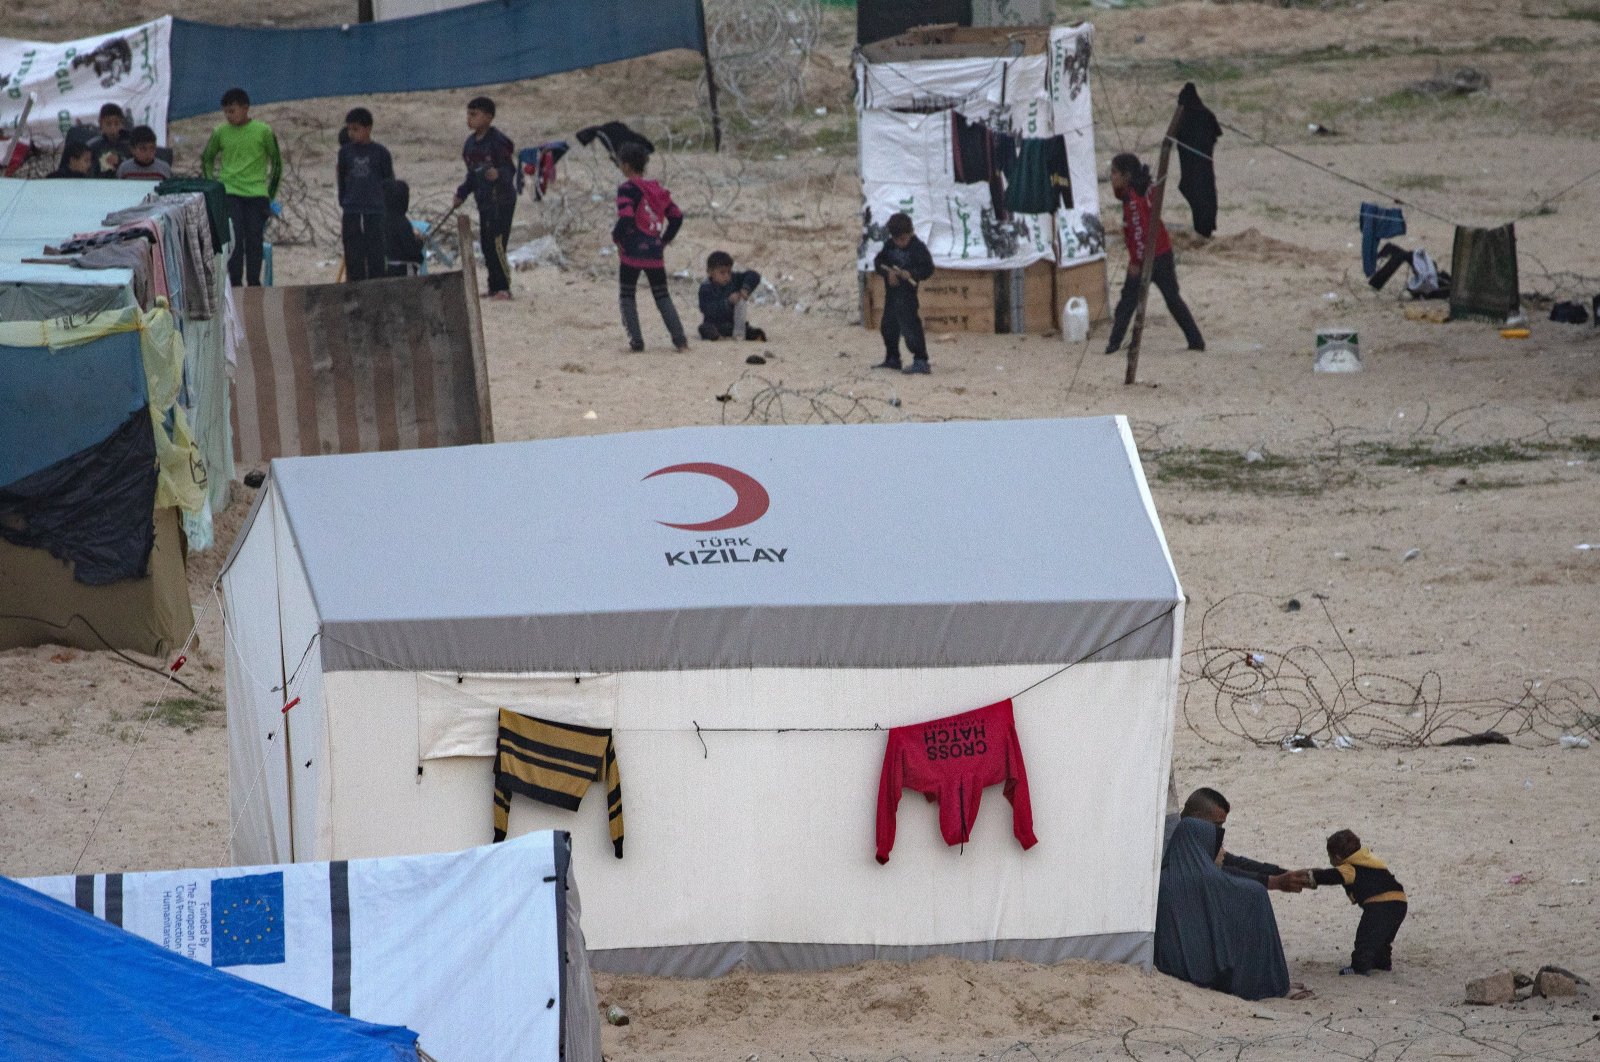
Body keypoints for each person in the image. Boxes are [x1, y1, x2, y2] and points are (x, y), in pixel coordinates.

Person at [1156, 817, 1292, 1001]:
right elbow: (1251, 896)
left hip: (1169, 973)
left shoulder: (1161, 881)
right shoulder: (1210, 881)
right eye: (1217, 845)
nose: (1222, 852)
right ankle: (1270, 982)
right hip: (1208, 979)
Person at [1103, 151, 1205, 355]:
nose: (1111, 177)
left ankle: (1114, 344)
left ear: (1126, 176)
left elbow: (1140, 231)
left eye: (1114, 172)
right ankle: (1195, 340)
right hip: (1162, 250)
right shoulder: (1141, 190)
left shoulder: (1132, 199)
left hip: (1151, 255)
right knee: (1171, 298)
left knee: (1128, 301)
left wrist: (1136, 261)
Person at [201, 87, 283, 287]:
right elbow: (207, 158)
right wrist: (212, 185)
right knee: (234, 240)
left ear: (245, 108)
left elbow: (277, 162)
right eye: (226, 112)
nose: (229, 116)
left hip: (256, 194)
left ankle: (254, 282)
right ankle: (235, 283)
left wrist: (269, 194)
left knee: (254, 240)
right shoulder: (220, 132)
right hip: (230, 193)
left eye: (233, 111)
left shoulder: (263, 131)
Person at [611, 141, 687, 351]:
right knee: (662, 295)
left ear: (625, 166)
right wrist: (663, 240)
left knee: (627, 295)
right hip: (654, 251)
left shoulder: (626, 189)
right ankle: (680, 341)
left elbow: (626, 217)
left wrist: (616, 238)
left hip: (631, 252)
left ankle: (637, 342)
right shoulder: (657, 190)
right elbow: (677, 217)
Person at [1305, 829, 1408, 976]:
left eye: (1330, 857)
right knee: (1383, 937)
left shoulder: (1350, 868)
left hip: (1380, 905)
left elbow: (1330, 876)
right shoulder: (1370, 859)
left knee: (1365, 937)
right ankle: (1382, 962)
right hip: (1400, 902)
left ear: (1338, 857)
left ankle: (1359, 966)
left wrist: (1310, 876)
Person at [1174, 787, 1309, 893]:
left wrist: (1285, 873)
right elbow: (1224, 874)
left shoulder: (1196, 838)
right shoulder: (1176, 846)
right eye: (1216, 824)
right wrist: (1274, 882)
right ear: (1196, 818)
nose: (1219, 831)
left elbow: (1236, 863)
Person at [449, 96, 516, 301]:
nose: (469, 119)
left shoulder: (498, 142)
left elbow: (510, 169)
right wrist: (461, 193)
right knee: (487, 245)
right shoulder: (470, 145)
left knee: (497, 244)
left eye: (474, 114)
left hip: (501, 201)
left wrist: (499, 175)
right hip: (484, 201)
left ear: (488, 117)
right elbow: (472, 175)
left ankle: (504, 286)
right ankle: (493, 286)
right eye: (468, 114)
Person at [336, 107, 395, 282]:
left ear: (368, 129)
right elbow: (342, 179)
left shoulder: (380, 153)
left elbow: (389, 181)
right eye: (349, 129)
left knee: (376, 253)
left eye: (356, 129)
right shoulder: (345, 153)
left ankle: (376, 289)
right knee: (353, 254)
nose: (352, 133)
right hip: (352, 210)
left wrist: (385, 205)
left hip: (375, 210)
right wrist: (345, 201)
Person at [872, 212, 935, 375]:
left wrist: (911, 274)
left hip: (907, 297)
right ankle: (893, 358)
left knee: (910, 328)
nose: (901, 243)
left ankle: (921, 360)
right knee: (888, 327)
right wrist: (889, 274)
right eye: (897, 239)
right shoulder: (889, 247)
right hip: (892, 296)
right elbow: (879, 263)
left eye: (904, 239)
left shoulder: (917, 248)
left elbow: (928, 268)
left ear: (911, 233)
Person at [1174, 82, 1222, 238]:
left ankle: (1203, 229)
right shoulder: (1206, 114)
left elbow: (1176, 135)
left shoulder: (1185, 116)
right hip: (1203, 166)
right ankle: (1204, 229)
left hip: (1192, 166)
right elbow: (1215, 135)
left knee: (1199, 196)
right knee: (1205, 196)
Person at [698, 251, 767, 342]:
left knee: (756, 332)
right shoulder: (705, 288)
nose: (727, 276)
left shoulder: (734, 279)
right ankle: (718, 337)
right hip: (715, 325)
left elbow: (754, 275)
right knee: (705, 329)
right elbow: (708, 310)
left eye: (729, 272)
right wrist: (728, 302)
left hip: (733, 325)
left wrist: (745, 289)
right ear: (710, 272)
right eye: (722, 273)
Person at [381, 178, 425, 278]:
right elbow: (412, 250)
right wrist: (420, 241)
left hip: (385, 271)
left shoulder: (381, 222)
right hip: (403, 271)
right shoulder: (402, 223)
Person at [86, 103, 133, 178]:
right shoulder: (92, 146)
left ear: (122, 123)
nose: (113, 128)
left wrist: (120, 161)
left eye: (117, 124)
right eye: (108, 124)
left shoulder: (131, 144)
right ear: (100, 123)